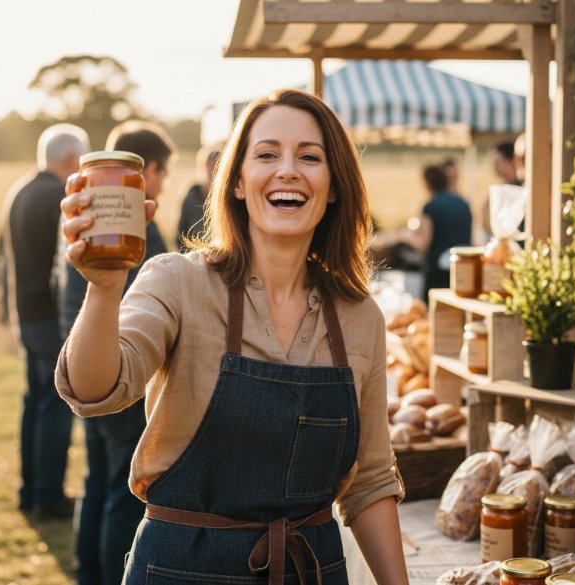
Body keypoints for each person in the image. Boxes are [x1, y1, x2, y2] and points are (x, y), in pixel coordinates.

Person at [56, 89, 408, 584]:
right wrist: (105, 286)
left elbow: (369, 481)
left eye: (309, 156)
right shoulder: (178, 281)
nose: (287, 169)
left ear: (333, 188)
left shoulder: (359, 316)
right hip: (180, 569)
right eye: (266, 155)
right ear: (238, 183)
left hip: (312, 571)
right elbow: (95, 390)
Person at [61, 120, 175, 585]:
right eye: (164, 174)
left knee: (96, 482)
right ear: (146, 171)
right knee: (117, 494)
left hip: (90, 359)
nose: (164, 185)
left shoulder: (87, 219)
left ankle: (86, 572)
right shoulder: (131, 229)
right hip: (118, 368)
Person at [3, 123, 89, 519]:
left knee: (34, 404)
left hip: (25, 312)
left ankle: (29, 490)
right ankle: (49, 497)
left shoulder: (19, 191)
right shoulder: (59, 196)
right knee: (54, 410)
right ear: (72, 160)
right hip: (52, 319)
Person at [405, 164, 472, 300]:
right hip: (463, 271)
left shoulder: (430, 206)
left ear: (428, 184)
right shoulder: (464, 204)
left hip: (437, 274)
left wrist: (405, 238)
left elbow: (423, 243)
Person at [176, 143, 221, 251]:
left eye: (215, 170)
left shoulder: (228, 199)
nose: (211, 175)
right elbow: (180, 233)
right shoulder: (191, 195)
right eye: (208, 169)